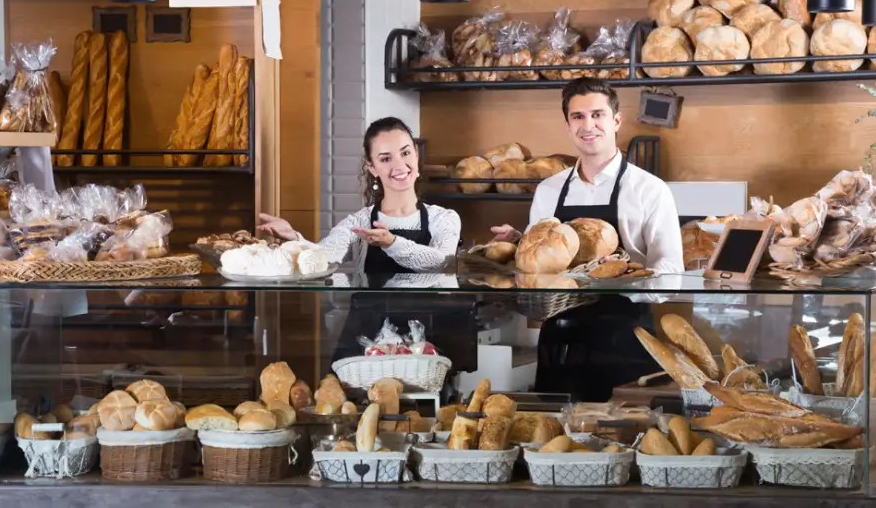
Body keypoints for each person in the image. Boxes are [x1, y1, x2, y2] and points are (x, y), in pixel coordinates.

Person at [490, 77, 683, 401]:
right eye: (578, 117)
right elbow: (545, 269)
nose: (588, 125)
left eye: (597, 114)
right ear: (567, 125)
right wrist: (518, 245)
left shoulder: (649, 189)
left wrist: (625, 278)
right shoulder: (549, 190)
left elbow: (672, 270)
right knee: (556, 439)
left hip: (626, 336)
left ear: (616, 120)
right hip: (561, 338)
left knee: (625, 434)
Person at [257, 117, 462, 362]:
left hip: (425, 339)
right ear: (372, 168)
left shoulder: (444, 219)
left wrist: (391, 243)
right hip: (368, 337)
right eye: (385, 159)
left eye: (405, 152)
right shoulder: (360, 221)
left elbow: (441, 262)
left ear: (416, 155)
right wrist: (295, 238)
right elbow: (326, 256)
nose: (399, 165)